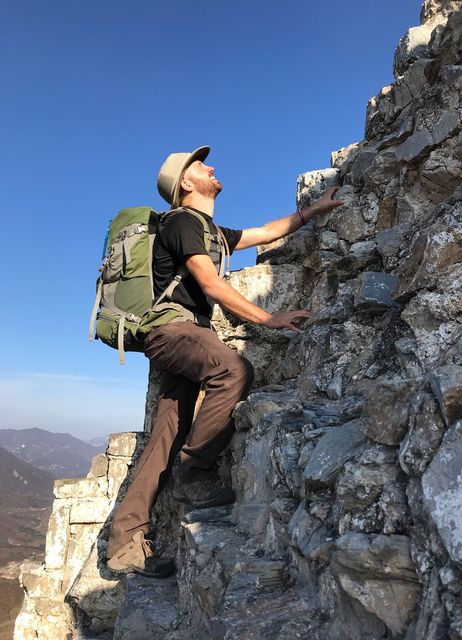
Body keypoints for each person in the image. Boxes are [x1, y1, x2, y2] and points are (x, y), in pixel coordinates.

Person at [106, 146, 343, 578]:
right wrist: (268, 318)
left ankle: (124, 547)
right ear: (186, 183)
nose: (211, 166)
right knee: (233, 369)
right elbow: (210, 285)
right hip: (174, 333)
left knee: (162, 441)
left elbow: (267, 232)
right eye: (201, 165)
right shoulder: (181, 223)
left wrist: (313, 211)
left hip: (181, 336)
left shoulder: (210, 231)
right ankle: (194, 473)